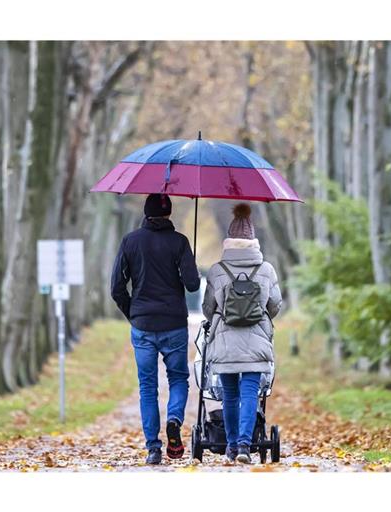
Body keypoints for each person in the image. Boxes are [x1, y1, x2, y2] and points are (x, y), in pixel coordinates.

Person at [111, 193, 200, 465]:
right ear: (169, 213)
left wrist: (134, 314)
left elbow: (116, 288)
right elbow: (193, 285)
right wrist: (187, 262)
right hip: (173, 323)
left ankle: (153, 447)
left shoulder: (130, 241)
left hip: (143, 325)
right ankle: (174, 418)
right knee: (177, 379)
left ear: (146, 213)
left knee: (147, 387)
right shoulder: (180, 242)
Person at [202, 203, 282, 464]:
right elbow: (275, 306)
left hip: (225, 342)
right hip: (256, 340)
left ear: (228, 242)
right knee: (250, 391)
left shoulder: (217, 270)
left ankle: (232, 446)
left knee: (229, 394)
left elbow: (207, 308)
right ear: (253, 241)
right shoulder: (266, 270)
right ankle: (246, 446)